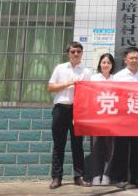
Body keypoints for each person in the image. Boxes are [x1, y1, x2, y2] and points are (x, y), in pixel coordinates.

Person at [46, 41, 92, 189]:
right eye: (73, 51)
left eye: (78, 51)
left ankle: (79, 177)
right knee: (58, 144)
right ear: (68, 53)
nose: (76, 54)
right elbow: (50, 87)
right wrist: (68, 83)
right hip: (61, 109)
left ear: (82, 54)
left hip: (78, 111)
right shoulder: (60, 68)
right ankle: (56, 177)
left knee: (78, 145)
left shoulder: (86, 71)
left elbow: (89, 92)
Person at [112, 46, 138, 189]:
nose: (134, 60)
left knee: (137, 150)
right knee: (121, 149)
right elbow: (114, 96)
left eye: (136, 58)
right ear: (125, 60)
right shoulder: (118, 76)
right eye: (131, 58)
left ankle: (136, 178)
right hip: (123, 118)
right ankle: (121, 178)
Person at [90, 53, 116, 186]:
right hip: (96, 117)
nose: (106, 65)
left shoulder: (116, 79)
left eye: (108, 63)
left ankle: (106, 175)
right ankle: (96, 175)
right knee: (96, 146)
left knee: (110, 147)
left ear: (112, 65)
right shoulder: (93, 78)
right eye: (103, 62)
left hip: (111, 118)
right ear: (100, 64)